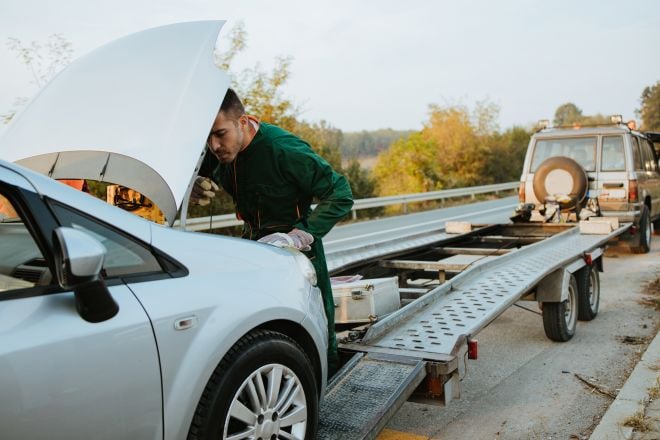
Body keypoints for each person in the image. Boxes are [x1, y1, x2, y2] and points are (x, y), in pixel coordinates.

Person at [193, 88, 354, 375]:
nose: (214, 146)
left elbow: (340, 193)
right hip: (253, 248)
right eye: (207, 137)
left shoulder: (284, 150)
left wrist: (299, 235)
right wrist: (192, 184)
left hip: (297, 251)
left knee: (315, 329)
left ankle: (324, 394)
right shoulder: (218, 151)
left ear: (242, 122)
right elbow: (197, 169)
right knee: (258, 328)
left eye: (220, 134)